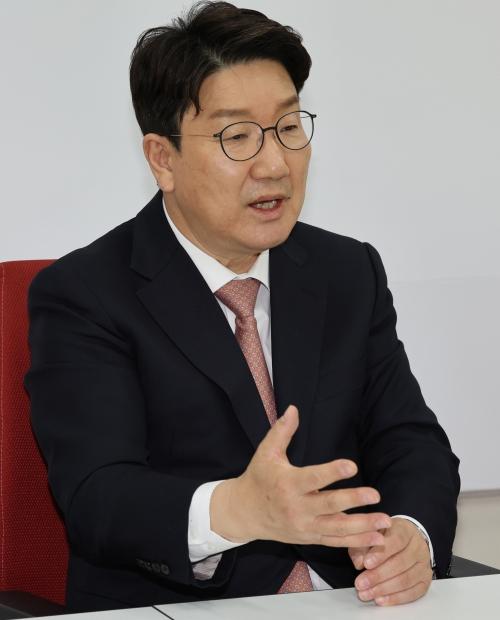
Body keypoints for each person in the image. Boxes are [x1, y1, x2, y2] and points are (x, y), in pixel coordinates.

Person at [25, 1, 460, 613]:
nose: (275, 164)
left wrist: (412, 536)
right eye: (236, 137)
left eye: (288, 127)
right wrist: (238, 509)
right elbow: (97, 496)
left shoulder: (347, 271)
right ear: (162, 158)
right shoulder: (85, 293)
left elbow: (409, 439)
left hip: (347, 600)